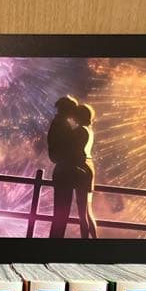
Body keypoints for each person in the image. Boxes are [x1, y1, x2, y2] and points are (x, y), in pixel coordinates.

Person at [47, 96, 79, 238]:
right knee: (62, 214)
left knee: (60, 214)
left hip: (60, 172)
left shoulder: (57, 124)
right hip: (65, 173)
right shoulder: (63, 126)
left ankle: (55, 240)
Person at [71, 103, 98, 239]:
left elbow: (75, 151)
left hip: (81, 168)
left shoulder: (80, 130)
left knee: (82, 213)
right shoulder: (89, 130)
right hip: (89, 166)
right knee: (88, 210)